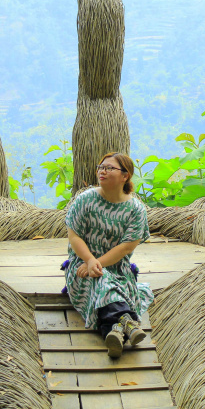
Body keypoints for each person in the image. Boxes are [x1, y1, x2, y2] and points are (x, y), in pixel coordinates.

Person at [64, 152, 154, 358]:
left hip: (118, 268)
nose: (102, 171)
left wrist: (96, 264)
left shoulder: (135, 209)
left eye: (109, 168)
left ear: (125, 175)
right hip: (80, 265)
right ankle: (128, 323)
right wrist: (89, 261)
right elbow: (74, 235)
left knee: (103, 279)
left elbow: (126, 247)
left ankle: (113, 332)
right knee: (101, 280)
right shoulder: (85, 199)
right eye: (101, 167)